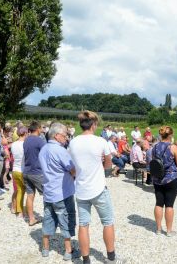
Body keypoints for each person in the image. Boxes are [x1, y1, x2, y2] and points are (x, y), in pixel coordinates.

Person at [69, 110, 124, 264]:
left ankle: (86, 260)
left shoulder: (73, 142)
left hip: (81, 189)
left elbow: (73, 167)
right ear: (93, 125)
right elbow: (108, 165)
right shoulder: (101, 142)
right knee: (107, 222)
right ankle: (111, 257)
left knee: (84, 224)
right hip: (98, 188)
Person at [39, 123, 80, 260]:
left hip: (48, 191)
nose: (66, 138)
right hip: (62, 192)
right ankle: (68, 251)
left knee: (48, 219)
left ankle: (45, 248)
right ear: (56, 136)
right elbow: (72, 169)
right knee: (66, 220)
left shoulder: (43, 149)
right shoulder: (60, 150)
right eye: (64, 135)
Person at [152, 126, 177, 237]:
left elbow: (154, 162)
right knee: (169, 205)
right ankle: (169, 231)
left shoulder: (155, 147)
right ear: (171, 135)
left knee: (159, 203)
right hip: (171, 178)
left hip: (157, 179)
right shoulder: (173, 147)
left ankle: (158, 229)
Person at [23, 120, 46, 226]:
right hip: (37, 172)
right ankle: (50, 218)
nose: (42, 130)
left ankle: (31, 218)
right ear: (37, 129)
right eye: (41, 128)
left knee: (30, 195)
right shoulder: (39, 140)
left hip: (26, 171)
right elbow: (47, 154)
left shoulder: (26, 140)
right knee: (48, 194)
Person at [10, 126, 27, 217]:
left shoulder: (13, 144)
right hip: (22, 170)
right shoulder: (25, 144)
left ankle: (19, 211)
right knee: (27, 192)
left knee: (19, 191)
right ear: (24, 133)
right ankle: (23, 211)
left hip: (14, 170)